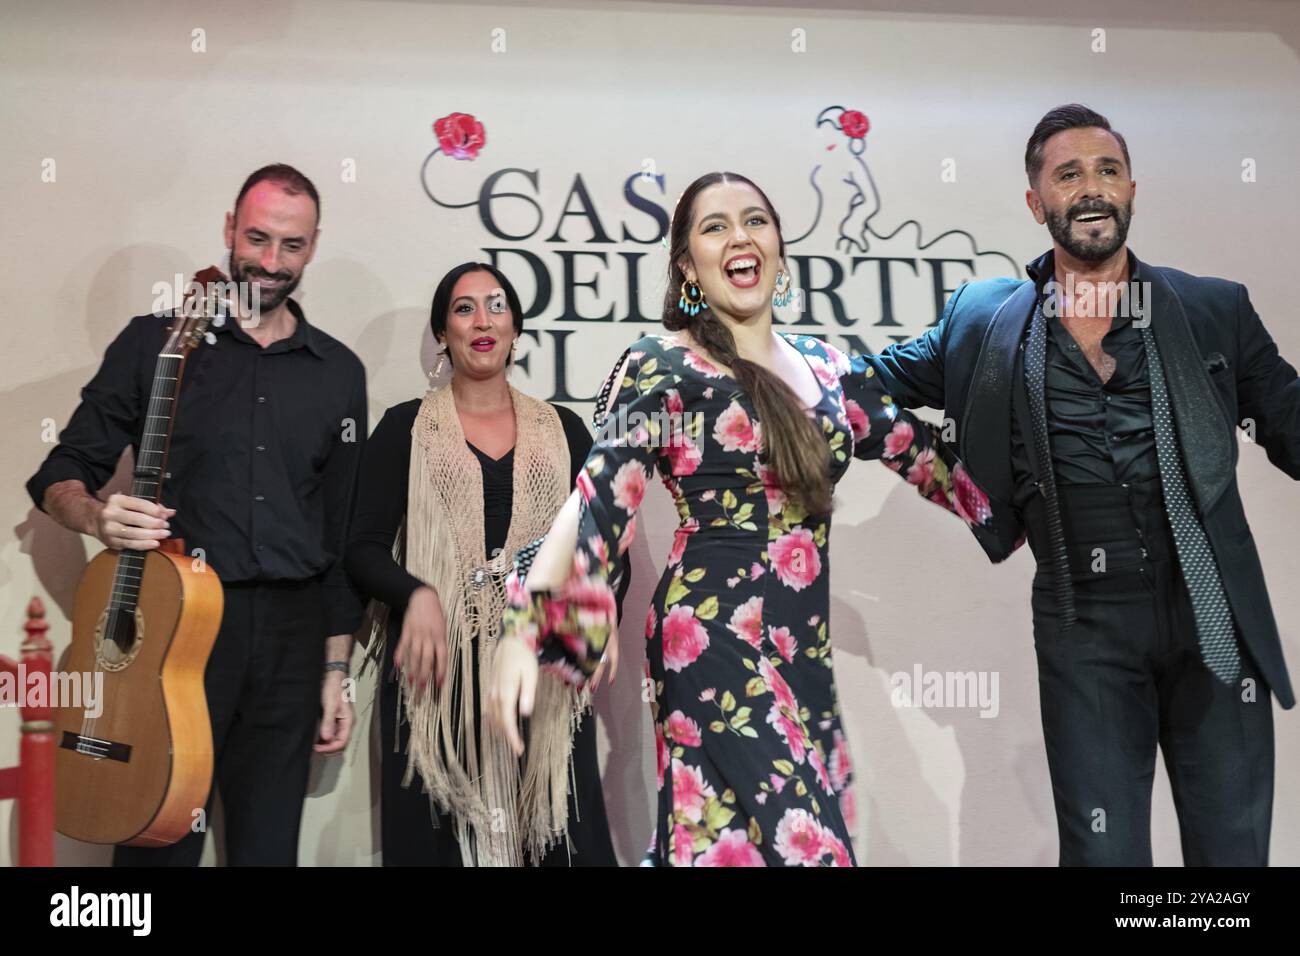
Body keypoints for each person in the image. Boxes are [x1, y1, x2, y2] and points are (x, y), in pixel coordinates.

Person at [489, 172, 999, 866]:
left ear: (779, 248)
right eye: (715, 225)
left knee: (717, 849)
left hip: (802, 653)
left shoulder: (828, 370)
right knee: (809, 852)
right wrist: (525, 633)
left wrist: (1040, 513)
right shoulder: (662, 363)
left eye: (755, 219)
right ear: (687, 265)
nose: (740, 236)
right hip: (708, 641)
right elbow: (602, 496)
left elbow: (929, 462)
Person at [865, 104, 1298, 865]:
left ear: (1132, 188)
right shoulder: (983, 319)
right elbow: (865, 387)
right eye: (1068, 176)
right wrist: (939, 469)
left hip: (1213, 620)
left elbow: (1294, 425)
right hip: (1082, 622)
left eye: (1106, 171)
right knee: (1104, 861)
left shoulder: (1211, 309)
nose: (1091, 189)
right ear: (1037, 204)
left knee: (1232, 866)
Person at [27, 164, 367, 865]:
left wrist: (337, 672)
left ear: (314, 246)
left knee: (267, 848)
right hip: (174, 631)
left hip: (294, 637)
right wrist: (96, 518)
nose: (271, 263)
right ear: (228, 230)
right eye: (257, 238)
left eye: (292, 246)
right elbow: (57, 474)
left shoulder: (339, 371)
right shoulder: (152, 343)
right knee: (160, 843)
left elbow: (339, 536)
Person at [345, 262, 618, 866]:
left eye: (495, 306)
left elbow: (597, 546)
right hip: (436, 678)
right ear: (443, 333)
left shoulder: (565, 430)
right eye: (463, 309)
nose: (482, 321)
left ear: (516, 326)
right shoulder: (404, 429)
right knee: (434, 846)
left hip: (543, 675)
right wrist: (416, 594)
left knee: (563, 841)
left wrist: (594, 613)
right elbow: (361, 547)